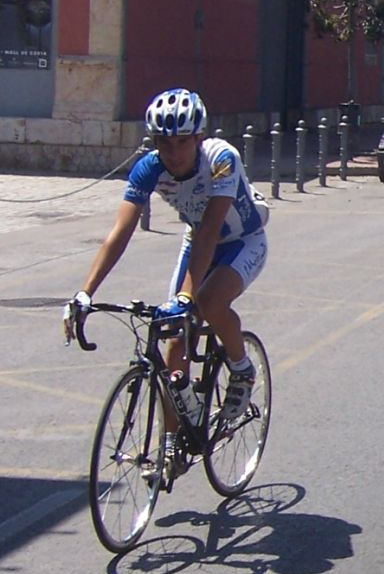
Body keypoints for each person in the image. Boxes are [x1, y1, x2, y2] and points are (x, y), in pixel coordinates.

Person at [62, 88, 270, 458]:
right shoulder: (149, 168)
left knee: (207, 302)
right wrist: (85, 292)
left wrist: (186, 297)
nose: (173, 153)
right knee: (174, 336)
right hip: (197, 240)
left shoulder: (221, 158)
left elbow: (212, 229)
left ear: (199, 137)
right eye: (164, 143)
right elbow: (120, 233)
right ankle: (172, 442)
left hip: (241, 241)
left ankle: (241, 369)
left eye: (182, 142)